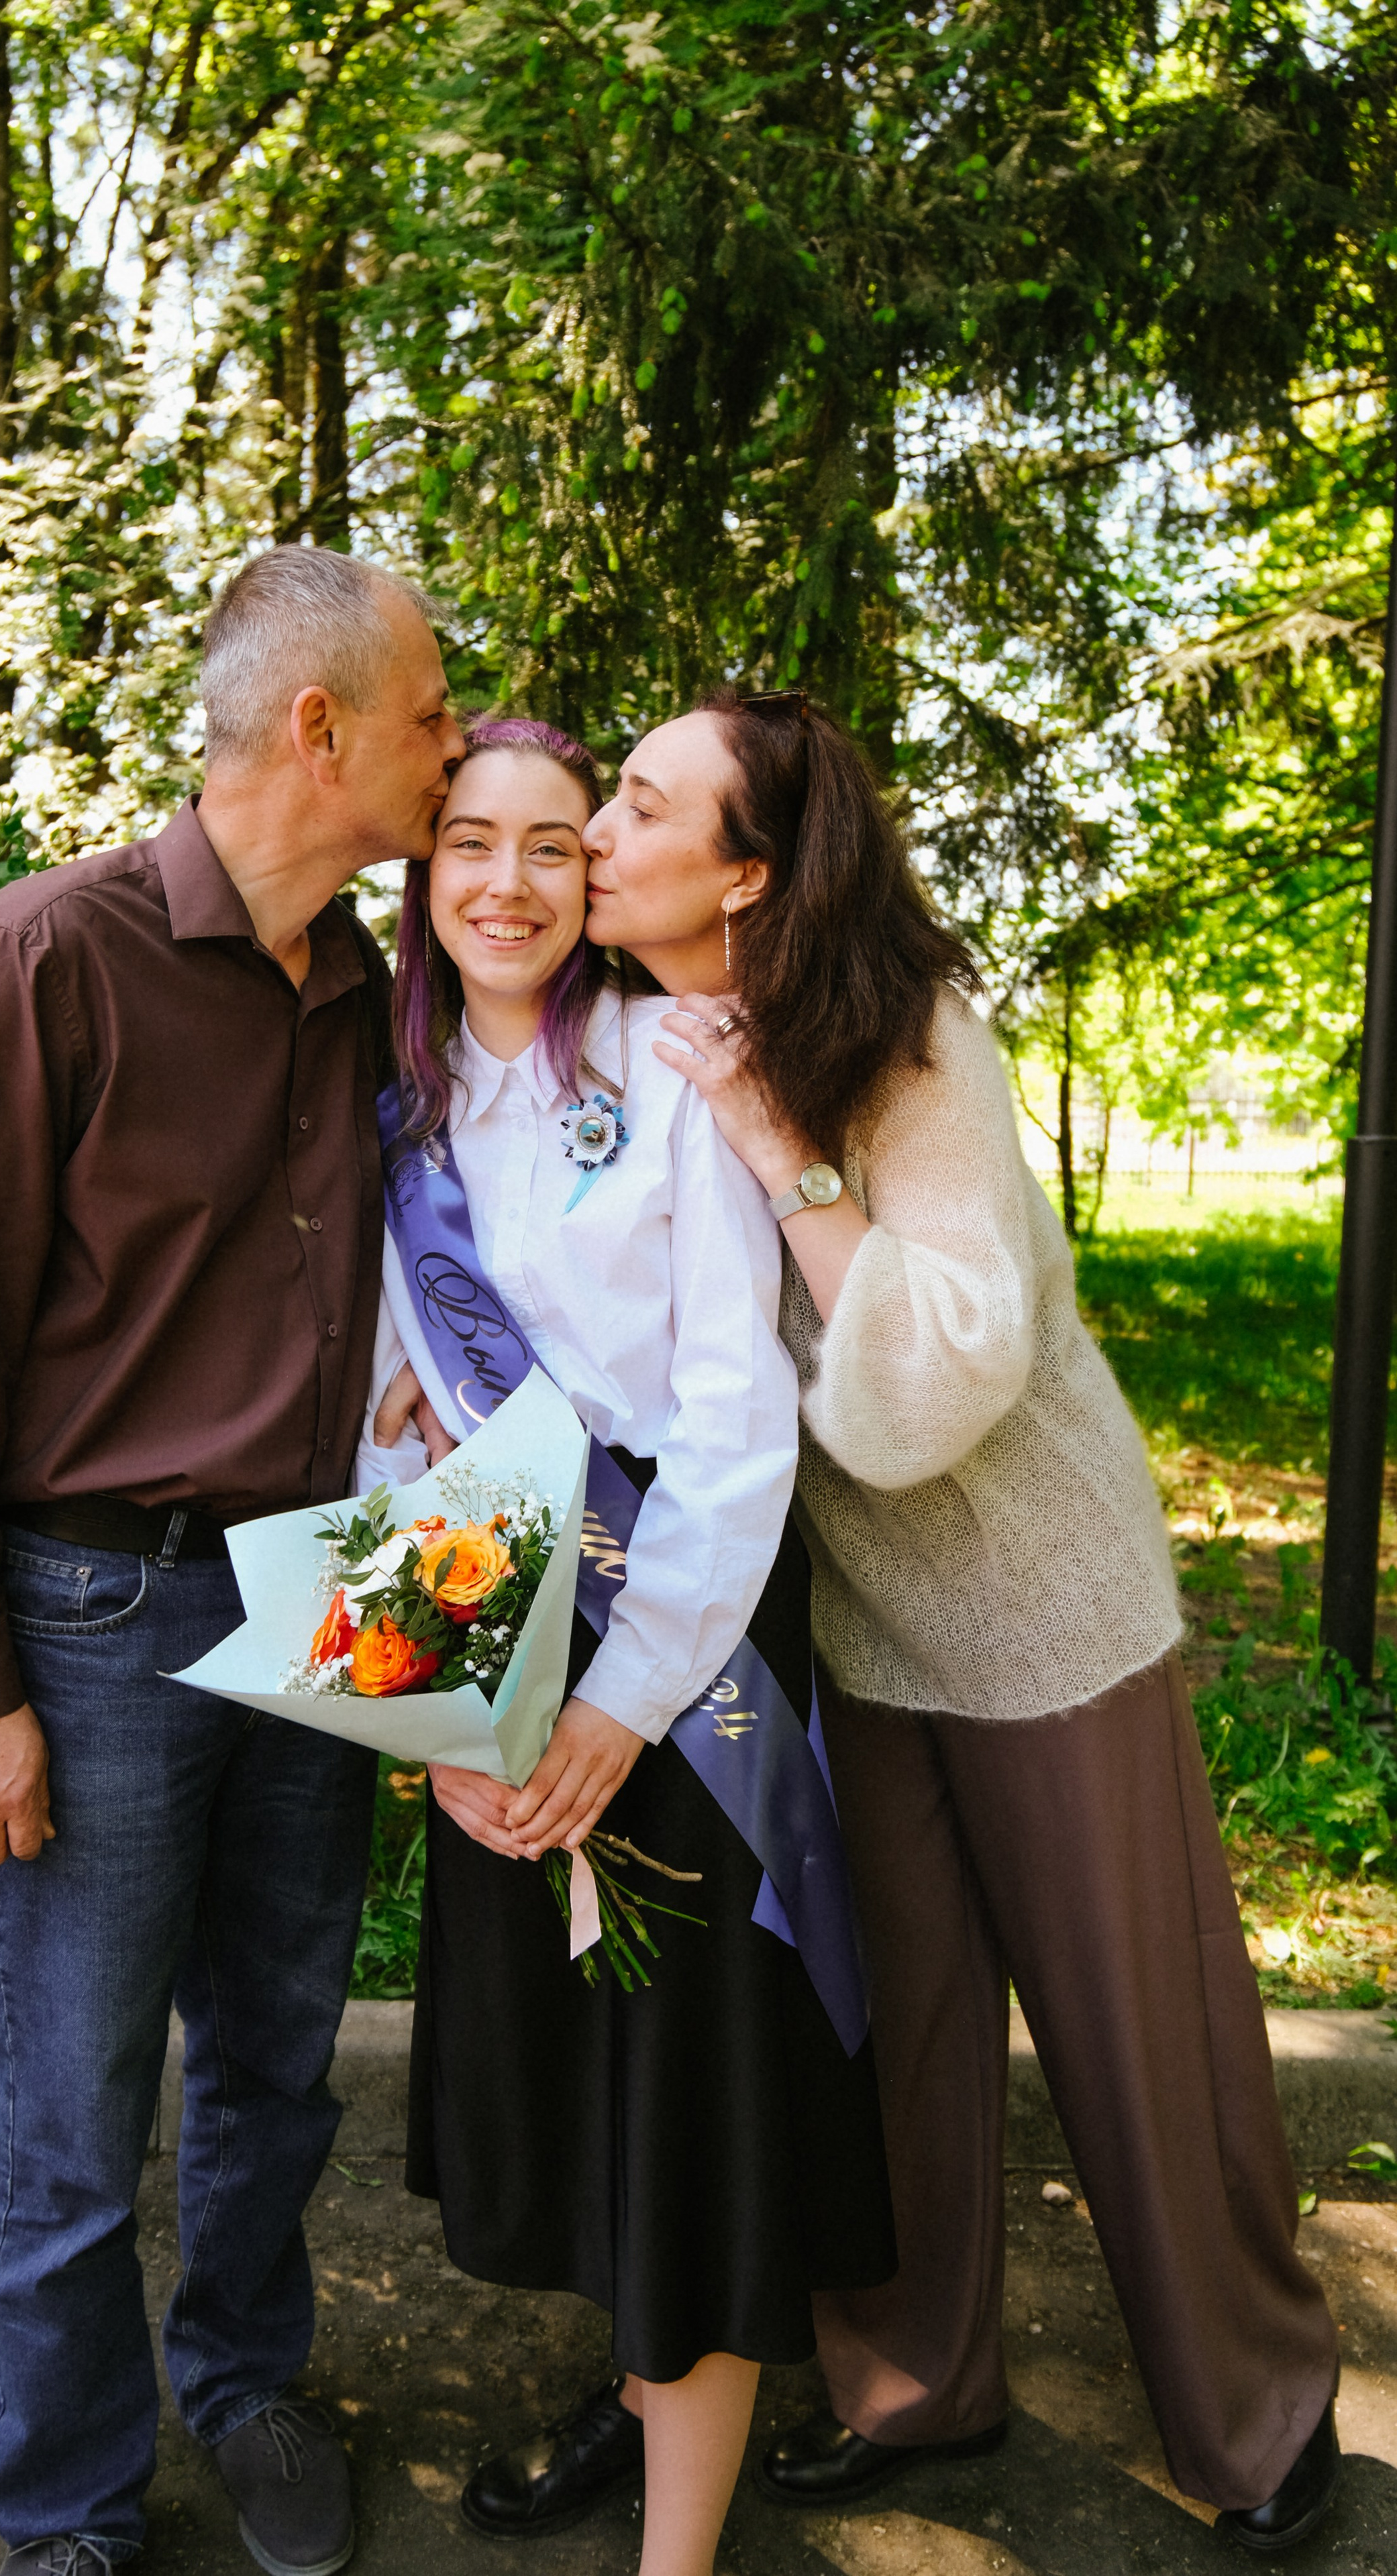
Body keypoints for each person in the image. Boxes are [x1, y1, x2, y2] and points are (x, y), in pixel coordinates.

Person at [569, 686, 1341, 2556]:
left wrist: (787, 1158)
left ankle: (1255, 2408)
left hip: (1038, 1604)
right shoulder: (628, 1039)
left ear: (745, 873)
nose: (597, 824)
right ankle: (918, 2378)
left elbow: (928, 1393)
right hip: (862, 1627)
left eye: (642, 803)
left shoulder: (913, 1049)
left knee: (1131, 2027)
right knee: (896, 2028)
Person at [0, 546, 466, 2576]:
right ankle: (67, 2505)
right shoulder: (43, 960)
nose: (453, 754)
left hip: (327, 1584)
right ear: (322, 728)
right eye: (435, 717)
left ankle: (246, 2390)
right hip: (91, 1615)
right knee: (72, 2103)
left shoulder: (380, 985)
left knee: (280, 2057)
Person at [359, 716, 894, 2576]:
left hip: (687, 1640)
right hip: (483, 1636)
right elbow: (381, 1419)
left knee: (695, 2122)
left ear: (600, 877)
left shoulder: (675, 1074)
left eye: (554, 845)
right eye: (466, 846)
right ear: (422, 876)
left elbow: (745, 1428)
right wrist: (442, 1717)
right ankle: (636, 2399)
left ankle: (680, 2556)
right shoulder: (386, 1105)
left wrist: (617, 1700)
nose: (506, 882)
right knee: (581, 2099)